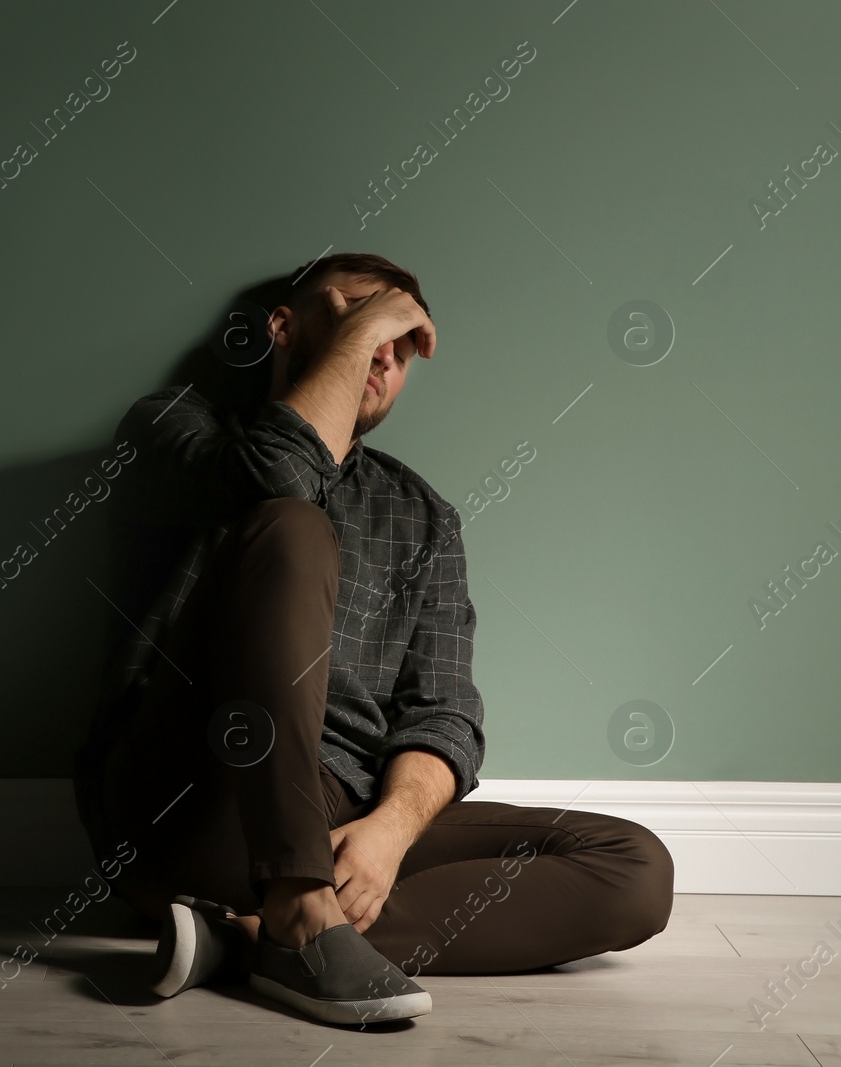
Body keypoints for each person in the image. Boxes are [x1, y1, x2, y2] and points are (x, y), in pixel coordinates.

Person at [72, 252, 675, 1027]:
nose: (382, 350)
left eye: (399, 335)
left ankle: (248, 939)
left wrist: (389, 833)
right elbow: (280, 479)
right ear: (283, 329)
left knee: (633, 866)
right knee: (293, 526)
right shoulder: (172, 426)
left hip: (345, 816)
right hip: (192, 797)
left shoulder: (423, 516)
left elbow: (445, 712)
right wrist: (359, 337)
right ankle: (294, 902)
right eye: (360, 319)